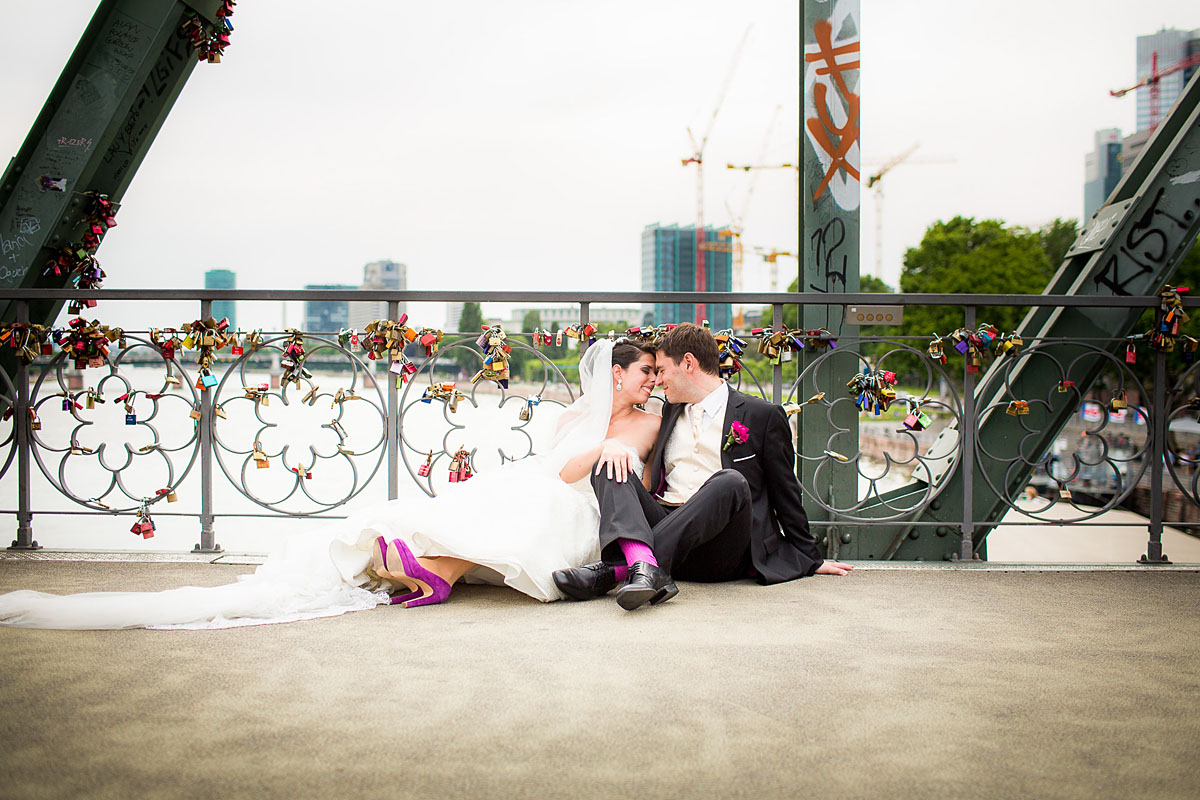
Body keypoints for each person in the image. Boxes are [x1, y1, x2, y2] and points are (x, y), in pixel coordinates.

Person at [0, 339, 660, 629]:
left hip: (584, 503)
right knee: (505, 498)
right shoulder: (579, 415)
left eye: (652, 375)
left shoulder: (641, 426)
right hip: (548, 483)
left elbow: (589, 473)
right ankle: (432, 566)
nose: (648, 382)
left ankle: (432, 568)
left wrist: (606, 447)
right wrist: (592, 441)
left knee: (536, 503)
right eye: (640, 375)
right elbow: (558, 457)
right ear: (616, 376)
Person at [553, 322, 853, 611]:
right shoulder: (669, 412)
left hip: (721, 547)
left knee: (731, 482)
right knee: (610, 462)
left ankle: (615, 571)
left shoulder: (762, 415)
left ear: (688, 363)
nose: (657, 380)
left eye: (661, 370)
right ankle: (645, 567)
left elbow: (786, 492)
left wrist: (810, 557)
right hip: (666, 523)